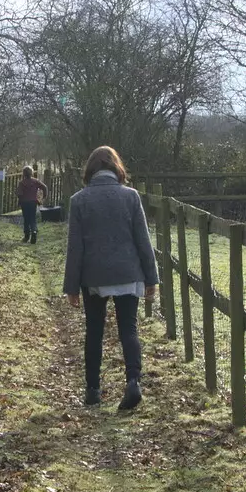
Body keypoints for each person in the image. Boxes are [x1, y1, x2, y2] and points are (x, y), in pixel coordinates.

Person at [62, 146, 158, 412]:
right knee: (129, 329)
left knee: (94, 331)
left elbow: (75, 248)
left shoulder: (79, 200)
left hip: (94, 276)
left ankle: (93, 389)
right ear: (117, 169)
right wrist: (152, 279)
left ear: (90, 170)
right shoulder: (131, 197)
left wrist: (71, 287)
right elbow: (143, 241)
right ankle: (133, 382)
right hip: (128, 272)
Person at [17, 166, 48, 244]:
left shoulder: (21, 183)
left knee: (26, 218)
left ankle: (26, 236)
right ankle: (34, 231)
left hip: (24, 203)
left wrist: (19, 201)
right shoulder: (35, 181)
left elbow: (19, 194)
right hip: (33, 202)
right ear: (31, 173)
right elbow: (45, 187)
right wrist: (43, 197)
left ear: (24, 174)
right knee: (32, 218)